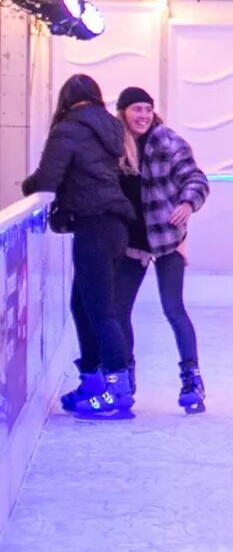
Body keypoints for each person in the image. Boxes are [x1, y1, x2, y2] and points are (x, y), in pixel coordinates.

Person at [23, 75, 144, 420]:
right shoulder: (110, 126)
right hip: (113, 225)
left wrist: (25, 186)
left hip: (96, 226)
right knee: (83, 305)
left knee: (101, 310)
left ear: (67, 99)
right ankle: (92, 380)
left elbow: (47, 180)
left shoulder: (69, 129)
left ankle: (117, 390)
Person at [112, 88, 211, 415]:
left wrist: (187, 202)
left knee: (173, 308)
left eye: (147, 109)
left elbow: (196, 179)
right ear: (123, 111)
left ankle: (192, 380)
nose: (142, 116)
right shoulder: (115, 144)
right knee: (118, 310)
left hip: (168, 238)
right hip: (133, 242)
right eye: (136, 109)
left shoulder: (167, 142)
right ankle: (125, 378)